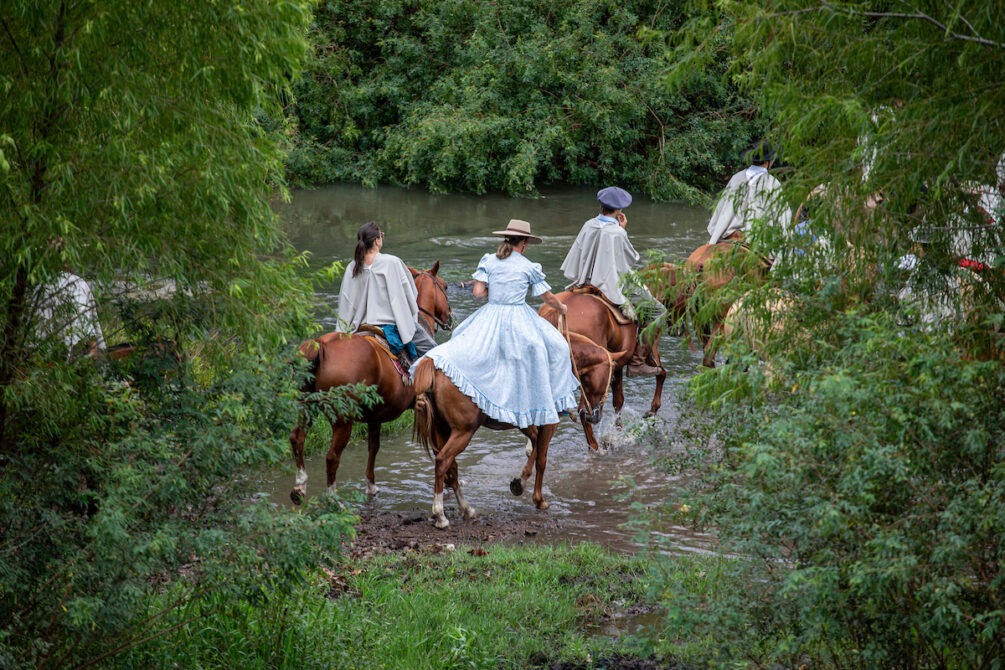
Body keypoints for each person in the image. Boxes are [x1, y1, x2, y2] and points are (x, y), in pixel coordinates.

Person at [414, 219, 579, 428]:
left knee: (462, 340)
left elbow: (477, 293)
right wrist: (562, 308)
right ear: (525, 243)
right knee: (556, 348)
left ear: (506, 239)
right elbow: (547, 298)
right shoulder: (529, 266)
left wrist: (499, 290)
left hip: (490, 314)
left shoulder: (489, 260)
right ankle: (551, 403)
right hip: (519, 316)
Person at [560, 186, 662, 376]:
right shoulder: (617, 232)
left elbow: (578, 254)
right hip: (609, 285)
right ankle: (637, 361)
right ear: (619, 210)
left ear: (602, 206)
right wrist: (622, 230)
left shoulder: (588, 224)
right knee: (657, 312)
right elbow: (631, 258)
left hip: (584, 282)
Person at [337, 221, 435, 367]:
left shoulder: (352, 266)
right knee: (436, 353)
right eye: (381, 235)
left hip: (359, 326)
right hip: (390, 325)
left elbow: (345, 302)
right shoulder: (392, 262)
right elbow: (410, 295)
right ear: (377, 240)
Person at [706, 141, 791, 250]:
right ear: (768, 161)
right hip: (758, 240)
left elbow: (721, 211)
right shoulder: (772, 183)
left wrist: (715, 236)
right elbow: (783, 218)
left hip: (729, 235)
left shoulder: (736, 178)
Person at [35, 269, 106, 360]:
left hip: (48, 360)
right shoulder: (79, 284)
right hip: (78, 357)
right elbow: (88, 328)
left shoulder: (42, 285)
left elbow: (38, 333)